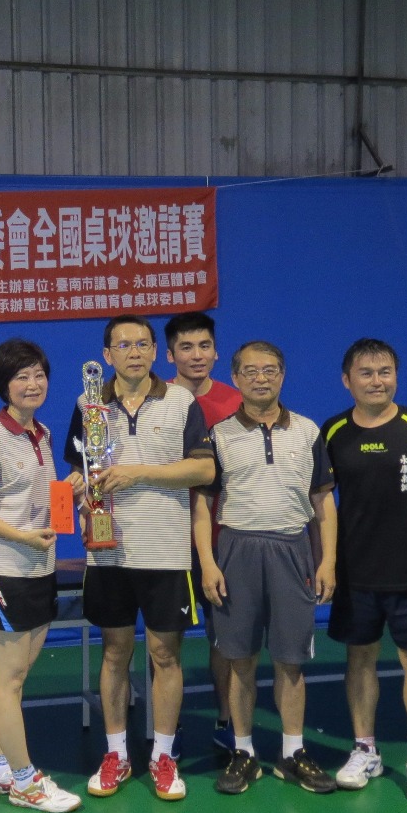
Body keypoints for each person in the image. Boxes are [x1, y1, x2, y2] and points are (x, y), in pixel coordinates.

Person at [63, 315, 215, 802]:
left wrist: (137, 473)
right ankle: (116, 754)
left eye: (143, 344)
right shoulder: (88, 404)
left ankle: (163, 756)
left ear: (155, 351)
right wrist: (80, 492)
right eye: (123, 344)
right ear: (106, 354)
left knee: (165, 655)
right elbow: (79, 470)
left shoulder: (181, 401)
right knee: (114, 653)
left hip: (166, 550)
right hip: (107, 553)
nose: (134, 352)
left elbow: (204, 469)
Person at [323, 338, 407, 806]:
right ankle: (365, 750)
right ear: (347, 380)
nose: (376, 381)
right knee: (359, 660)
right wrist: (327, 562)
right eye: (366, 373)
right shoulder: (333, 431)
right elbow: (321, 503)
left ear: (396, 377)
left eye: (385, 372)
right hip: (356, 573)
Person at [193, 341, 338, 796]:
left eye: (270, 370)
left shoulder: (308, 431)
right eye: (251, 371)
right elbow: (202, 506)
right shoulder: (218, 435)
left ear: (283, 375)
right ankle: (243, 752)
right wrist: (208, 563)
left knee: (291, 661)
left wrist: (328, 560)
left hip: (293, 550)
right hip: (236, 551)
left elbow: (323, 504)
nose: (262, 378)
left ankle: (292, 753)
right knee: (239, 660)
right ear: (235, 378)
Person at [0, 338, 84, 813]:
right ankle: (26, 782)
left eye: (39, 375)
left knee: (16, 678)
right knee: (7, 683)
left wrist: (69, 490)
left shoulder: (42, 433)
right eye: (21, 377)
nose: (33, 384)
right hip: (3, 572)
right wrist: (20, 536)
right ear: (3, 386)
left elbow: (30, 501)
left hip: (39, 568)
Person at [164, 311, 242, 756]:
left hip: (224, 538)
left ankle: (228, 722)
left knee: (226, 638)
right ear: (170, 354)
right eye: (186, 347)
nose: (197, 355)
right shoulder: (154, 401)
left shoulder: (237, 401)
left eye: (204, 346)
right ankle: (167, 730)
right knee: (166, 641)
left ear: (215, 351)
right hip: (168, 539)